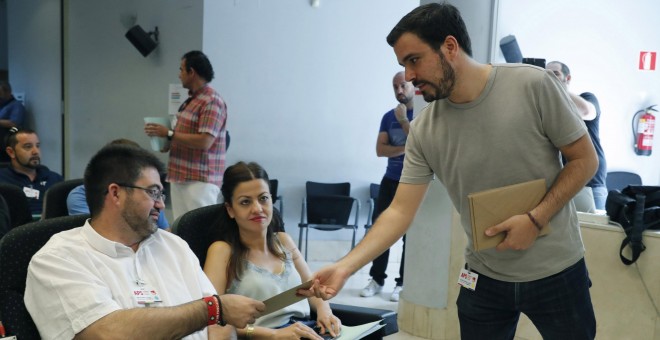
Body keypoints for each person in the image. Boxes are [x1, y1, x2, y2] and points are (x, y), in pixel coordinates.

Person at [301, 3, 598, 339]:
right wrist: (345, 266)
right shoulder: (425, 129)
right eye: (403, 65)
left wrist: (535, 219)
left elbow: (585, 161)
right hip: (484, 278)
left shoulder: (533, 85)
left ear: (450, 47)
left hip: (557, 271)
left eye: (414, 60)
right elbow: (399, 211)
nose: (409, 76)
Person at [24, 144, 264, 339]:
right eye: (153, 192)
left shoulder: (174, 246)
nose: (161, 203)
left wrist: (217, 316)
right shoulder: (59, 258)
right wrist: (211, 310)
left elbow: (218, 326)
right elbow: (108, 333)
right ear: (116, 193)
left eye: (161, 193)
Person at [204, 161, 341, 340]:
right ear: (230, 209)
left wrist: (325, 311)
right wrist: (273, 334)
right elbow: (212, 320)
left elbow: (311, 286)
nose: (257, 209)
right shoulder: (222, 250)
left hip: (306, 331)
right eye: (245, 202)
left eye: (263, 198)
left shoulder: (283, 240)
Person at [144, 50, 228, 220]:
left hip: (200, 180)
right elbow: (179, 135)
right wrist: (165, 141)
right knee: (182, 229)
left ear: (192, 72)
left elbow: (205, 141)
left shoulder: (211, 101)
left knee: (202, 230)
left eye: (182, 69)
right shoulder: (190, 102)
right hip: (180, 175)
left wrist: (168, 133)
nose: (179, 74)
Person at [360, 71, 414, 302]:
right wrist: (406, 147)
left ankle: (402, 283)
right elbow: (380, 150)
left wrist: (404, 122)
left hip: (412, 183)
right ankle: (377, 278)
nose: (399, 90)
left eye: (403, 85)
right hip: (390, 180)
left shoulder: (422, 114)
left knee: (409, 236)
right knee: (380, 230)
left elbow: (421, 146)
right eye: (395, 87)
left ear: (412, 85)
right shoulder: (387, 116)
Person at [67, 138, 170, 231]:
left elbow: (165, 232)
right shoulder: (79, 196)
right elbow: (103, 230)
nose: (161, 205)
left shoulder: (150, 200)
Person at [546, 61, 607, 210]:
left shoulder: (587, 98)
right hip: (567, 183)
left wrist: (555, 87)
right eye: (546, 74)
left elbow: (586, 111)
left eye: (555, 74)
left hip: (592, 184)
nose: (549, 77)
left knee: (597, 232)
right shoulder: (549, 109)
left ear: (568, 78)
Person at [0, 128, 63, 215]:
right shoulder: (3, 180)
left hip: (52, 226)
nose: (35, 152)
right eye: (28, 147)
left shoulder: (55, 178)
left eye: (37, 146)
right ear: (11, 152)